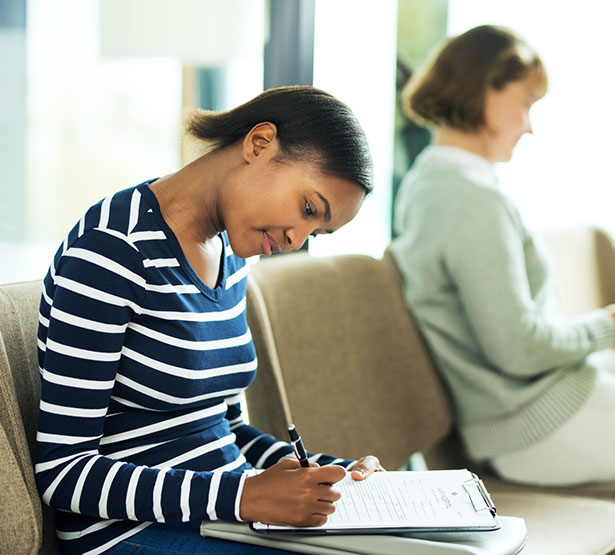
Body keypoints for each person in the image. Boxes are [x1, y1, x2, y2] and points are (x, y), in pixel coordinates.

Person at [35, 85, 382, 555]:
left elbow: (226, 431)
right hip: (127, 535)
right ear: (259, 144)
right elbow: (63, 472)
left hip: (223, 518)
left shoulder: (231, 255)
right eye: (306, 208)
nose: (296, 239)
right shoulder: (113, 251)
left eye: (315, 232)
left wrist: (333, 475)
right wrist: (244, 497)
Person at [390, 25, 615, 488]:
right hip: (538, 426)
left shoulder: (429, 183)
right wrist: (606, 326)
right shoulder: (470, 199)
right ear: (483, 91)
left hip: (539, 412)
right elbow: (519, 348)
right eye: (525, 105)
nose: (529, 126)